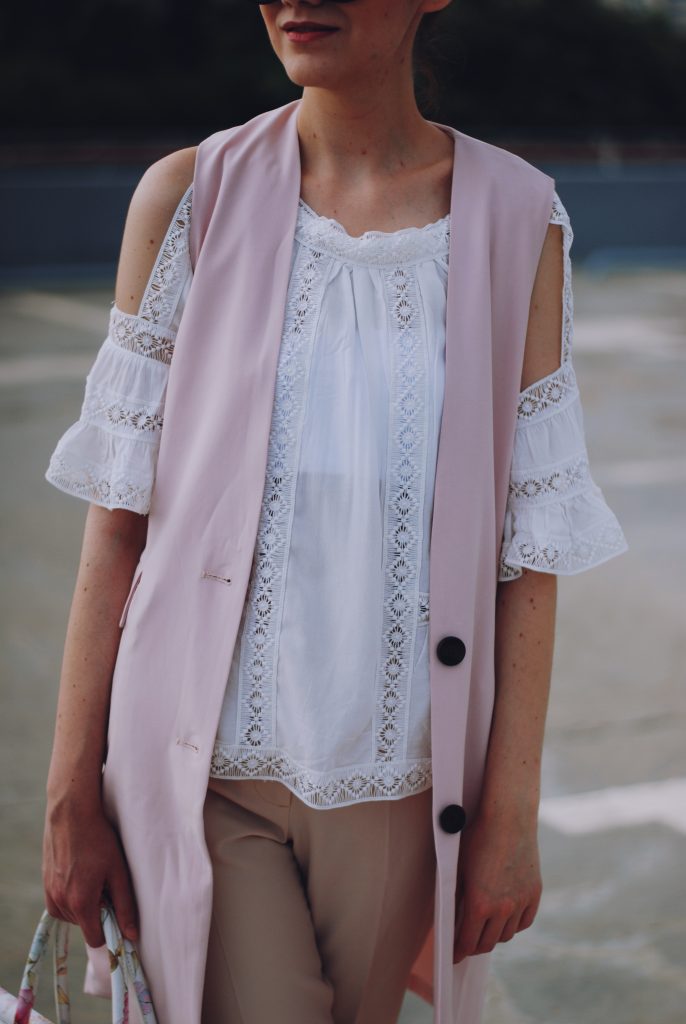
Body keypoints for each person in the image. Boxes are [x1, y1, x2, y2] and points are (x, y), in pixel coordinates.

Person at [40, 2, 628, 1023]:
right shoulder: (189, 197)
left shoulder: (516, 220)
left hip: (405, 786)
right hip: (199, 776)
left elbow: (529, 548)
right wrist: (69, 795)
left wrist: (508, 817)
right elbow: (116, 520)